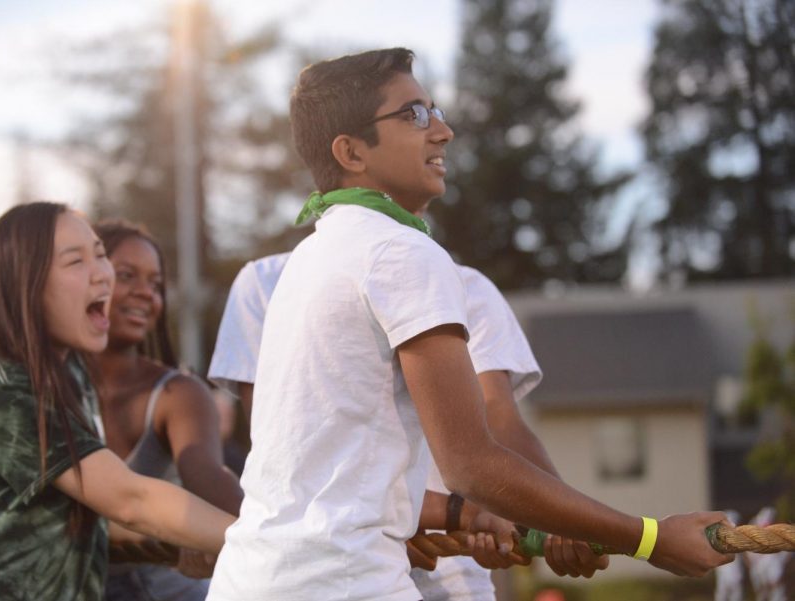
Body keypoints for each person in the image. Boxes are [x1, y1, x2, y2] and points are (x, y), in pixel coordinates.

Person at [205, 48, 732, 601]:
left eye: (434, 110)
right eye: (413, 114)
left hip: (251, 579)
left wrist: (535, 521)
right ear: (351, 152)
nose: (444, 131)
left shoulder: (308, 259)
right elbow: (471, 464)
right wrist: (650, 539)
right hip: (343, 583)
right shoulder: (400, 252)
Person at [209, 251, 609, 599]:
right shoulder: (266, 282)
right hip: (322, 564)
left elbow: (499, 420)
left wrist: (562, 522)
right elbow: (285, 454)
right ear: (349, 158)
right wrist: (442, 515)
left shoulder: (465, 286)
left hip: (448, 572)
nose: (440, 161)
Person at [0, 202, 234, 601]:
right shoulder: (0, 390)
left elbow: (86, 517)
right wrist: (257, 543)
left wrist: (189, 542)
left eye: (101, 255)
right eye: (76, 261)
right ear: (24, 284)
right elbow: (129, 500)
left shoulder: (69, 374)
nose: (101, 273)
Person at [91, 219, 243, 601]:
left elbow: (209, 476)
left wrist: (261, 533)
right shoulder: (36, 390)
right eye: (127, 275)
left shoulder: (178, 393)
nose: (146, 293)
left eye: (156, 284)